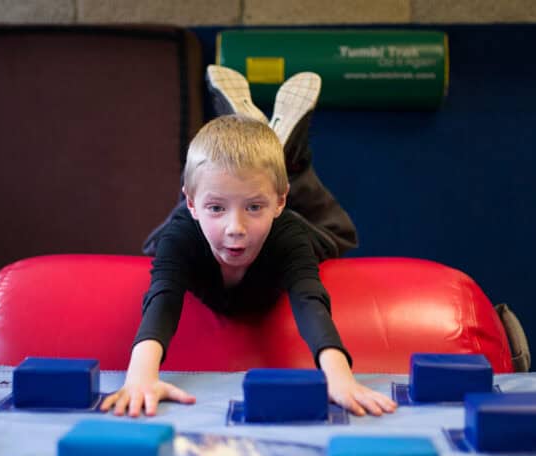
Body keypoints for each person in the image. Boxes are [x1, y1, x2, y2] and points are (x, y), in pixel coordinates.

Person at [101, 66, 397, 418]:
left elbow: (309, 298)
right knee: (161, 242)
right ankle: (261, 149)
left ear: (279, 203)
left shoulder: (288, 231)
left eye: (254, 207)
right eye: (215, 208)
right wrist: (139, 377)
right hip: (196, 223)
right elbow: (162, 296)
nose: (235, 228)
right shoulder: (182, 232)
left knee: (332, 235)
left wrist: (339, 377)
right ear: (192, 204)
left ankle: (289, 158)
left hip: (286, 224)